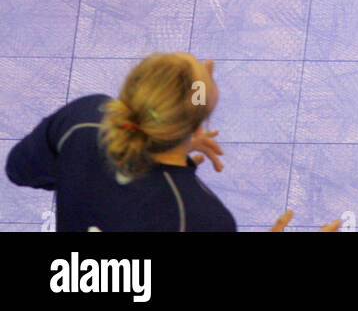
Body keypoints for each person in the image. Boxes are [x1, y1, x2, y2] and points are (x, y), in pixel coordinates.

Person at [5, 52, 340, 232]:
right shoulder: (199, 218)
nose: (208, 66)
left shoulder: (84, 120)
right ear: (197, 126)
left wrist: (84, 175)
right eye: (204, 71)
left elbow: (19, 171)